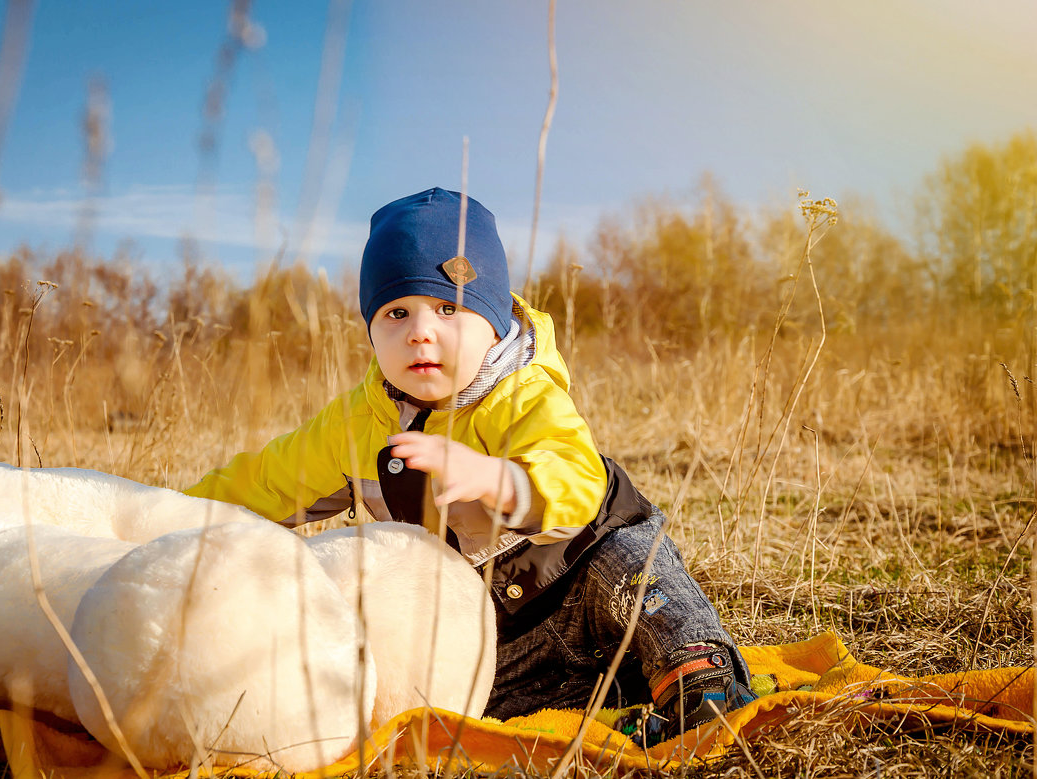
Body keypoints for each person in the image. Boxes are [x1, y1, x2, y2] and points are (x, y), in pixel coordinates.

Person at [185, 187, 753, 744]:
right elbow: (265, 483)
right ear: (371, 330)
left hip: (582, 575)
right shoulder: (357, 424)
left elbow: (577, 479)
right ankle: (601, 721)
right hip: (498, 631)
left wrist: (496, 479)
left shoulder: (523, 392)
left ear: (495, 317)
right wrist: (166, 520)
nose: (420, 331)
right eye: (396, 313)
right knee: (465, 707)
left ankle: (700, 686)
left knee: (636, 572)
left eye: (448, 308)